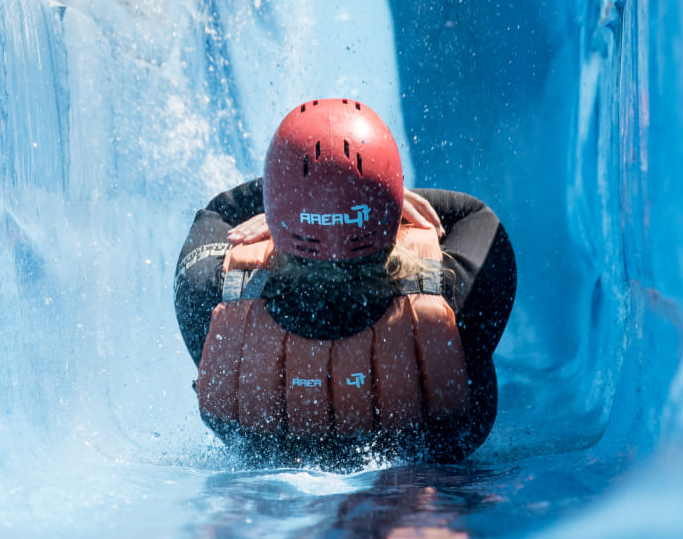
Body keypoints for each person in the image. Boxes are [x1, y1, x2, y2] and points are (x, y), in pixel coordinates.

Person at [174, 98, 516, 464]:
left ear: (276, 206)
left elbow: (217, 213)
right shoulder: (457, 294)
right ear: (390, 200)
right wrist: (377, 195)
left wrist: (297, 201)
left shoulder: (209, 297)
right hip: (429, 489)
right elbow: (475, 215)